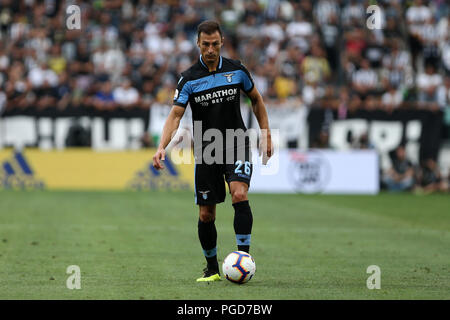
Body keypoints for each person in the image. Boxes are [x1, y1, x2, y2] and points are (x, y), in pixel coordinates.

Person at [152, 21, 272, 282]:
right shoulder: (188, 79)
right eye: (205, 44)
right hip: (207, 149)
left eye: (214, 44)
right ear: (198, 43)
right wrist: (162, 146)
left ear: (222, 42)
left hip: (237, 142)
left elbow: (256, 100)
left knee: (239, 194)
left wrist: (265, 133)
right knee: (206, 214)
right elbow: (175, 116)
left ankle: (244, 259)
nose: (210, 49)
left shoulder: (237, 70)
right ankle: (212, 269)